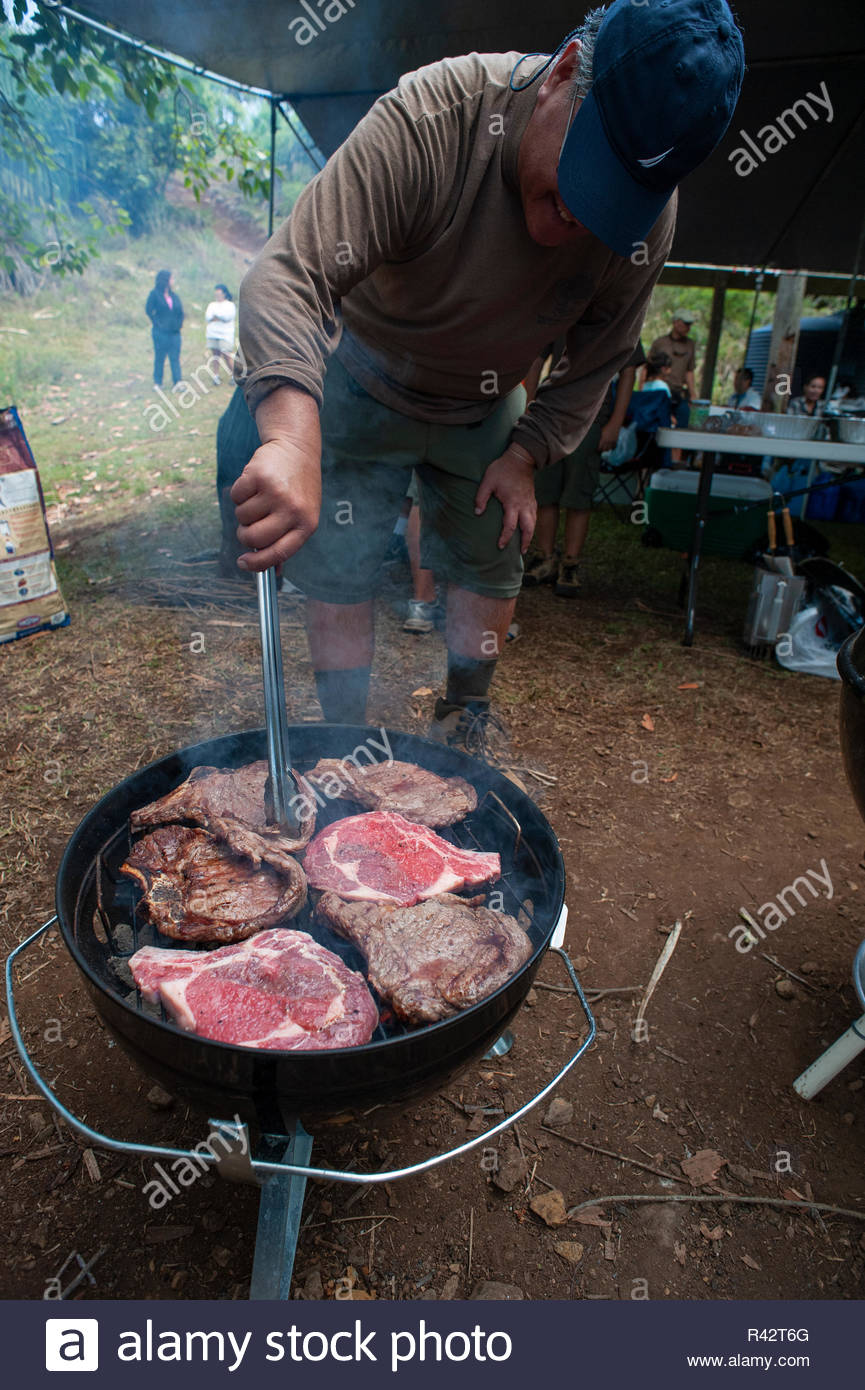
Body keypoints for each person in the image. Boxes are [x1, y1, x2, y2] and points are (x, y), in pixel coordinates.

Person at [231, 1, 744, 751]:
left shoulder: (649, 218)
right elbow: (286, 277)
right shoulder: (434, 117)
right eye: (586, 172)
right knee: (336, 561)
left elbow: (599, 354)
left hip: (483, 402)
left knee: (493, 551)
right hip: (359, 378)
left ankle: (463, 716)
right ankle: (341, 737)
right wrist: (290, 440)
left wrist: (526, 454)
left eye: (616, 202)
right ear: (562, 73)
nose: (582, 214)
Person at [524, 340, 644, 596]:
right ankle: (545, 558)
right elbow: (535, 359)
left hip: (590, 417)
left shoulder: (620, 307)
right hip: (549, 414)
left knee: (579, 495)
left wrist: (615, 423)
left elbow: (629, 370)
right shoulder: (559, 306)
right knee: (545, 490)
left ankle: (570, 563)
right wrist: (529, 406)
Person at [646, 309, 697, 428]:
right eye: (686, 324)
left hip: (678, 392)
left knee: (683, 423)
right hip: (659, 392)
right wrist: (643, 390)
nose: (688, 328)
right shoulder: (660, 343)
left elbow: (690, 371)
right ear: (676, 323)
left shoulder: (690, 345)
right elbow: (646, 368)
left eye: (690, 325)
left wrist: (693, 395)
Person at [145, 269, 184, 389]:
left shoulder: (173, 296)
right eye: (171, 278)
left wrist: (179, 324)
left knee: (175, 357)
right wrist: (157, 323)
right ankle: (158, 382)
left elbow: (180, 312)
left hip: (174, 332)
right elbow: (148, 310)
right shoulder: (154, 294)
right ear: (165, 280)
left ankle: (177, 382)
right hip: (160, 332)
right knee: (160, 357)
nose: (173, 281)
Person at [204, 284, 236, 384]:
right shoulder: (212, 305)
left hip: (225, 334)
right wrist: (217, 317)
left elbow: (227, 317)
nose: (217, 296)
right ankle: (216, 375)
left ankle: (234, 375)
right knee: (215, 355)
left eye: (219, 294)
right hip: (212, 333)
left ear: (224, 294)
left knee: (227, 355)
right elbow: (208, 317)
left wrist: (216, 317)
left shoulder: (230, 305)